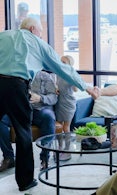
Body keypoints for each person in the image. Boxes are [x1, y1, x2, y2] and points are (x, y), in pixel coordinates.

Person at [0, 17, 95, 191]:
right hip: (16, 86)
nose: (41, 36)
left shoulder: (4, 35)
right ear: (33, 29)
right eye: (41, 32)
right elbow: (62, 68)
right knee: (23, 133)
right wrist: (86, 87)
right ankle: (25, 181)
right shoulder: (38, 43)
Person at [30, 70, 58, 170]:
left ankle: (45, 158)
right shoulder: (15, 75)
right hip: (21, 109)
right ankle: (9, 157)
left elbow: (54, 98)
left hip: (41, 110)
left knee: (49, 116)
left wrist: (40, 98)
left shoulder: (44, 76)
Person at [54, 55, 78, 161]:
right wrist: (56, 89)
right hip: (59, 101)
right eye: (61, 61)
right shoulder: (58, 73)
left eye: (64, 62)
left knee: (66, 127)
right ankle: (60, 147)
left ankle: (68, 150)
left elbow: (76, 89)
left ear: (69, 65)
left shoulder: (72, 74)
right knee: (58, 126)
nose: (61, 63)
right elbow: (56, 85)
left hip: (69, 102)